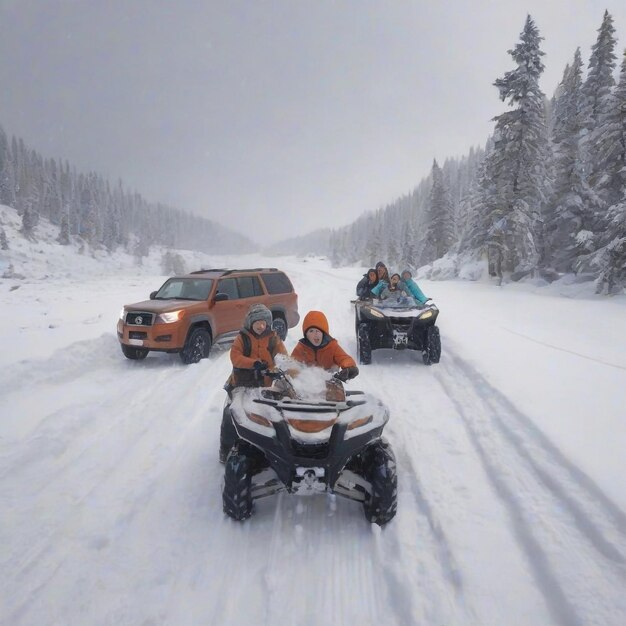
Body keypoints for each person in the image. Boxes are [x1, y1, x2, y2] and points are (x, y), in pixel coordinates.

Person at [220, 303, 287, 462]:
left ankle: (269, 446)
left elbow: (283, 356)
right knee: (232, 413)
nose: (261, 326)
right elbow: (235, 357)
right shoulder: (242, 338)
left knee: (269, 413)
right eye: (258, 322)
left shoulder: (273, 338)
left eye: (264, 323)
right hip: (242, 383)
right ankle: (226, 450)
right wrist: (253, 363)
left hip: (265, 384)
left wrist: (282, 369)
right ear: (250, 322)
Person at [291, 310, 359, 382]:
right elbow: (292, 364)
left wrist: (350, 368)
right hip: (308, 385)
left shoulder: (332, 346)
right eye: (311, 331)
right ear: (306, 335)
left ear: (324, 333)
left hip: (331, 383)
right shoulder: (301, 348)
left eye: (318, 331)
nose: (315, 334)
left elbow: (344, 358)